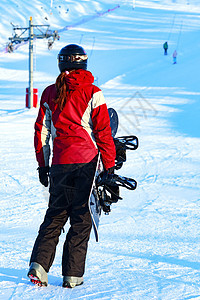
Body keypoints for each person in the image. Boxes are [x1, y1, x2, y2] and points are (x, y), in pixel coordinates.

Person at [27, 44, 116, 288]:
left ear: (61, 64)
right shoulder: (94, 92)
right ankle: (72, 276)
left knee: (55, 215)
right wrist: (108, 166)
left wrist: (43, 165)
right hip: (87, 162)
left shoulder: (48, 93)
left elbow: (41, 132)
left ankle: (39, 266)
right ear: (83, 63)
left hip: (59, 164)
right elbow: (103, 132)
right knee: (81, 217)